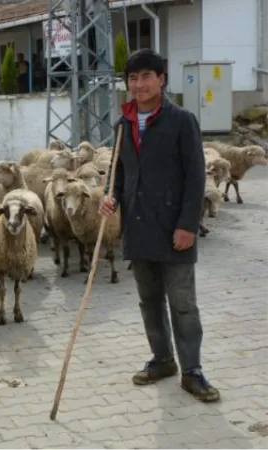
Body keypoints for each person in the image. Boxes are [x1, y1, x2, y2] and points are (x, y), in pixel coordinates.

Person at [99, 49, 219, 403]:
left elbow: (196, 177)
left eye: (147, 76)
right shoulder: (123, 124)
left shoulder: (181, 120)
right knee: (149, 301)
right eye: (133, 79)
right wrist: (111, 197)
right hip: (138, 229)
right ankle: (162, 359)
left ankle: (192, 370)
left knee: (183, 303)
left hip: (173, 229)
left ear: (162, 79)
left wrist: (187, 225)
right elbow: (120, 173)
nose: (139, 84)